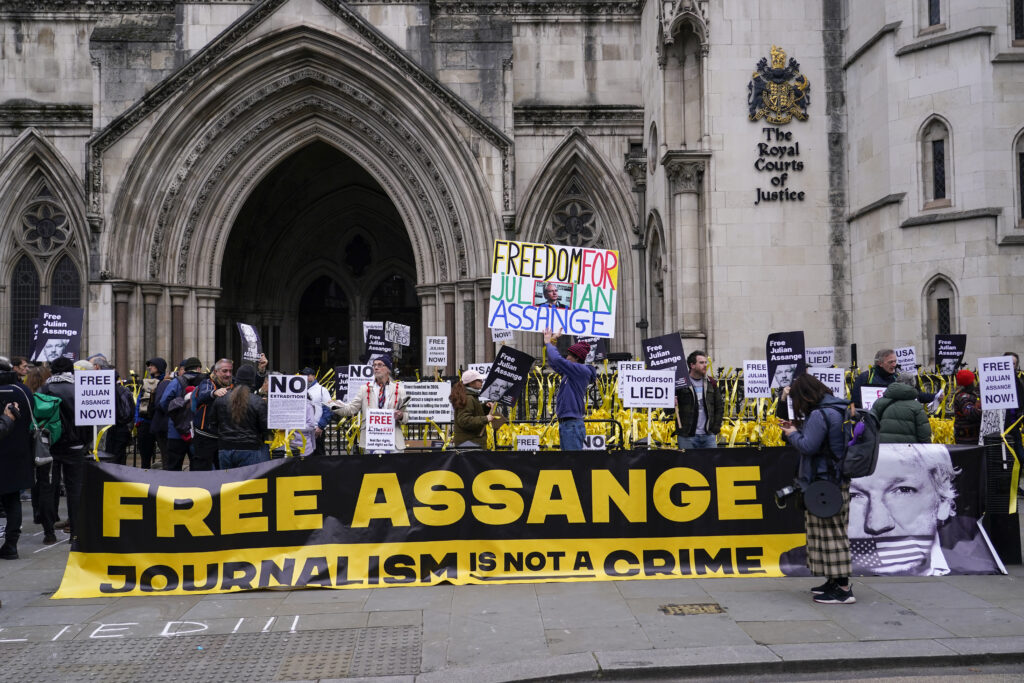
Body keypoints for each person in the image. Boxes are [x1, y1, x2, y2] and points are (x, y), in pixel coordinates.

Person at [848, 443, 1001, 576]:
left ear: (943, 502)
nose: (876, 524)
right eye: (854, 495)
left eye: (903, 490)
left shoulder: (976, 562)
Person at [779, 373, 855, 605]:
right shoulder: (838, 409)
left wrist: (792, 434)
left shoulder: (819, 414)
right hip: (835, 479)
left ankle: (843, 589)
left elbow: (808, 446)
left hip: (825, 480)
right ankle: (833, 581)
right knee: (826, 532)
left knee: (831, 535)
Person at [38, 356, 89, 539]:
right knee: (75, 489)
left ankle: (48, 532)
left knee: (47, 488)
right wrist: (85, 441)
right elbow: (88, 418)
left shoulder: (45, 389)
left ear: (52, 370)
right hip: (75, 446)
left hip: (50, 445)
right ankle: (75, 532)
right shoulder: (80, 388)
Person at [330, 354, 408, 453]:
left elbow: (406, 416)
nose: (376, 367)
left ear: (388, 369)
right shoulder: (364, 389)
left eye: (380, 365)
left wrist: (401, 416)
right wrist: (333, 406)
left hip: (393, 442)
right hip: (371, 441)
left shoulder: (399, 390)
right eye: (374, 365)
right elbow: (351, 409)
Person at [0, 357, 34, 559]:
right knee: (13, 500)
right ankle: (11, 544)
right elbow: (31, 418)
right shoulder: (23, 391)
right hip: (17, 453)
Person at [543, 328, 596, 451]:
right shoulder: (571, 372)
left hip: (572, 424)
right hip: (568, 424)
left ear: (577, 358)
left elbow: (557, 360)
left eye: (569, 355)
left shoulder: (580, 370)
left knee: (572, 460)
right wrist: (553, 341)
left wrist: (547, 342)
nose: (566, 358)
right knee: (568, 460)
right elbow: (554, 362)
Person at [213, 364, 268, 468]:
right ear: (252, 382)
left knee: (227, 479)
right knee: (249, 478)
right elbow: (265, 427)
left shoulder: (221, 399)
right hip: (250, 449)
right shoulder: (257, 401)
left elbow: (213, 423)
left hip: (225, 448)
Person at [157, 357, 205, 470]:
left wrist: (175, 415)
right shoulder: (205, 382)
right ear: (199, 368)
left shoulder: (176, 382)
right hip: (198, 431)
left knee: (174, 467)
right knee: (198, 468)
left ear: (185, 369)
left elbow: (163, 402)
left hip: (176, 431)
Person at [852, 348, 934, 409]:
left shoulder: (899, 378)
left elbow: (916, 395)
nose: (894, 365)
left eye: (895, 361)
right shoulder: (865, 377)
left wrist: (935, 396)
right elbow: (855, 402)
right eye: (890, 362)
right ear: (880, 363)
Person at [675, 350, 724, 449]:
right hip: (686, 436)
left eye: (706, 362)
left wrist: (716, 427)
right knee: (687, 460)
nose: (705, 365)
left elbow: (719, 407)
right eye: (701, 363)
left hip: (708, 436)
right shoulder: (681, 383)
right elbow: (668, 411)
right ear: (692, 365)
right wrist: (670, 403)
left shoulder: (711, 383)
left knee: (712, 459)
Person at [192, 358, 233, 470]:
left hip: (223, 437)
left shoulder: (232, 384)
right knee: (201, 469)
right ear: (216, 372)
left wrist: (261, 370)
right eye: (224, 371)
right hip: (205, 436)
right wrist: (214, 393)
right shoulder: (207, 383)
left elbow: (248, 385)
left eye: (230, 371)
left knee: (223, 470)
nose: (228, 374)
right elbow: (203, 395)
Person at [870, 373, 932, 444]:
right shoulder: (917, 407)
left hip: (883, 446)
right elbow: (924, 434)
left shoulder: (879, 402)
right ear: (913, 385)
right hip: (908, 448)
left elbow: (870, 425)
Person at [451, 369, 497, 448]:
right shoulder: (468, 398)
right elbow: (464, 420)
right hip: (470, 443)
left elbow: (473, 411)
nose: (482, 382)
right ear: (471, 382)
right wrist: (485, 418)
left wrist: (485, 407)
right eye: (479, 380)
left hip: (469, 442)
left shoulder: (469, 396)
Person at [136, 357, 167, 468]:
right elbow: (139, 401)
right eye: (149, 365)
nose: (149, 367)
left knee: (165, 456)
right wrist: (138, 420)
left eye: (152, 365)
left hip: (159, 422)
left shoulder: (166, 382)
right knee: (145, 457)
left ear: (159, 367)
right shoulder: (146, 383)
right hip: (145, 422)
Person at [303, 367, 332, 456]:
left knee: (318, 455)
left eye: (308, 375)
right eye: (304, 375)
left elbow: (328, 409)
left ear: (314, 376)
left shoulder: (322, 390)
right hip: (302, 430)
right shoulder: (299, 389)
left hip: (316, 429)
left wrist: (320, 426)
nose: (305, 377)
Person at [952, 369, 982, 445]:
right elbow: (971, 413)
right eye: (973, 380)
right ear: (970, 383)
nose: (975, 381)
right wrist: (982, 404)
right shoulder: (963, 397)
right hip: (967, 439)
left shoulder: (967, 395)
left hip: (969, 437)